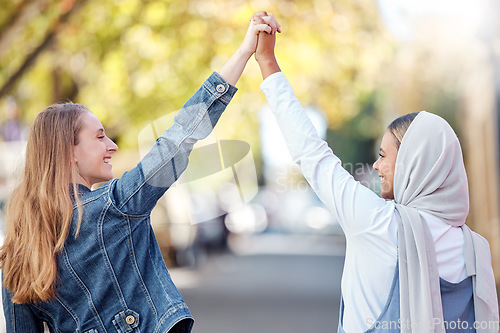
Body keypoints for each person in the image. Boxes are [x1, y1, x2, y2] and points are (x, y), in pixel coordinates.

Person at [0, 12, 281, 333]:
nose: (112, 146)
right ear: (69, 152)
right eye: (100, 136)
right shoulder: (115, 206)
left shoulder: (17, 252)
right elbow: (178, 139)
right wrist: (244, 53)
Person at [254, 20, 499, 333]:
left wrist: (267, 62)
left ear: (415, 163)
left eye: (384, 156)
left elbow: (311, 153)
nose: (376, 166)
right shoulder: (475, 248)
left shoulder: (377, 223)